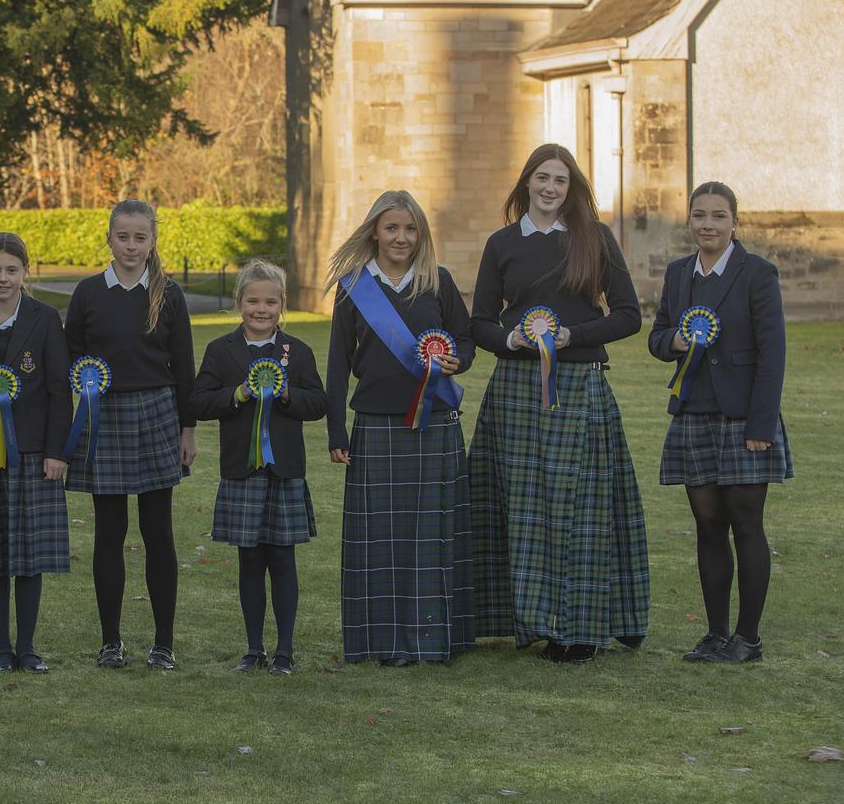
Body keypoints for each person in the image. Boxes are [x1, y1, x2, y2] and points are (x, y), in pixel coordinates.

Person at [468, 143, 649, 663]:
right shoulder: (502, 244)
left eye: (561, 181)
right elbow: (480, 322)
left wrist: (571, 336)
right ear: (526, 182)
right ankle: (522, 618)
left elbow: (629, 316)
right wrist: (511, 340)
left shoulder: (596, 239)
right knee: (521, 507)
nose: (550, 188)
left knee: (581, 510)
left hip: (579, 385)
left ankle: (580, 629)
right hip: (515, 391)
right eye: (542, 178)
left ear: (572, 189)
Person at [325, 191, 476, 666]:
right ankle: (383, 642)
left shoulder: (438, 283)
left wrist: (458, 361)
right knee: (381, 543)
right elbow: (336, 365)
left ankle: (434, 641)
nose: (401, 238)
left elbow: (466, 341)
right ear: (375, 231)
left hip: (436, 424)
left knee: (432, 538)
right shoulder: (353, 287)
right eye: (392, 228)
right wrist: (335, 430)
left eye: (410, 229)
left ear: (421, 234)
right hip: (375, 427)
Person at [649, 181, 790, 664]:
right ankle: (714, 635)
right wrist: (674, 343)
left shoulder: (757, 273)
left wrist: (761, 425)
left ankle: (747, 639)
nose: (707, 224)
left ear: (735, 222)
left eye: (718, 216)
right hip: (693, 414)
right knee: (707, 525)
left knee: (746, 524)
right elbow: (657, 336)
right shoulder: (677, 273)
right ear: (689, 220)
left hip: (743, 419)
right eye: (699, 215)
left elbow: (773, 356)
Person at [64, 199, 197, 670]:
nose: (131, 246)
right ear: (109, 238)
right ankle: (111, 641)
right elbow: (71, 359)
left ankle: (164, 643)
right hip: (105, 419)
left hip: (158, 413)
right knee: (109, 532)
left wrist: (188, 428)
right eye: (123, 236)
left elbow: (184, 367)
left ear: (152, 239)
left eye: (141, 237)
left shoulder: (171, 294)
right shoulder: (86, 293)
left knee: (158, 530)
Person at [191, 260, 325, 676]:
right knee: (250, 562)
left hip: (284, 472)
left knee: (283, 561)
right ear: (239, 303)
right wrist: (240, 393)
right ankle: (253, 649)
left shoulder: (297, 352)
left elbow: (318, 403)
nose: (261, 309)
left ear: (282, 305)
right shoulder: (219, 351)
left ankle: (284, 651)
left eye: (270, 301)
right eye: (252, 301)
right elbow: (198, 402)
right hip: (241, 471)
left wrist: (286, 397)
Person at [0, 233, 72, 674]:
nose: (3, 278)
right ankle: (1, 648)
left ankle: (27, 647)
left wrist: (56, 451)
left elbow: (60, 390)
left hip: (34, 453)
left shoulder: (45, 319)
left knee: (30, 553)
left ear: (25, 272)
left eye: (12, 270)